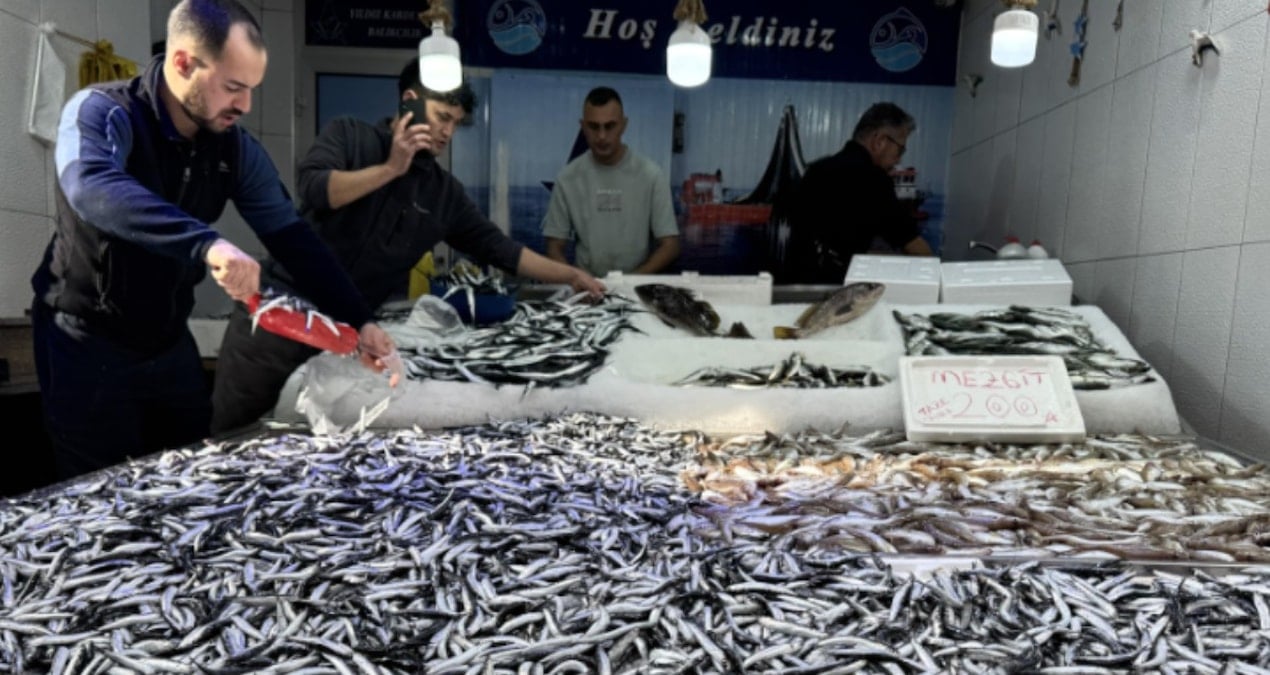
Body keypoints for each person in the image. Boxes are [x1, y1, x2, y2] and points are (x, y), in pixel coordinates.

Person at [29, 0, 397, 481]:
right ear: (184, 63)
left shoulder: (235, 149)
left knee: (192, 480)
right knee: (101, 492)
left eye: (251, 90)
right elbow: (90, 186)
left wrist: (360, 320)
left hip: (167, 342)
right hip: (86, 340)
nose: (244, 106)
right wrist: (208, 244)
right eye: (233, 87)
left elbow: (294, 239)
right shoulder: (103, 111)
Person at [209, 59, 606, 435]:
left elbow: (502, 250)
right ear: (409, 102)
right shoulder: (351, 135)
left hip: (345, 341)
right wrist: (390, 169)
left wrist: (570, 274)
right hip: (273, 327)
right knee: (231, 439)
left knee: (309, 454)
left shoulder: (443, 193)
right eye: (442, 117)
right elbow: (315, 190)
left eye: (456, 123)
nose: (448, 132)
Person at [785, 102, 934, 284]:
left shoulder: (815, 170)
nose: (899, 158)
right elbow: (914, 245)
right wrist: (934, 274)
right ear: (879, 141)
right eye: (900, 149)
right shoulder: (874, 180)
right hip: (835, 290)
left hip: (794, 285)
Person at [542, 86, 680, 277]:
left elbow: (670, 246)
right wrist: (576, 280)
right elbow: (554, 247)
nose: (601, 136)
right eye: (593, 126)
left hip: (635, 289)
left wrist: (629, 283)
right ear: (583, 126)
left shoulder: (651, 176)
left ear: (624, 125)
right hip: (585, 291)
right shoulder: (567, 179)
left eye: (610, 126)